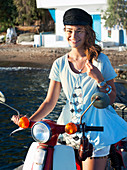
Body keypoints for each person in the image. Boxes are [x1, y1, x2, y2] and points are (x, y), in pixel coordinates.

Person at [11, 8, 127, 170]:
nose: (73, 36)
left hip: (96, 131)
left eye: (79, 31)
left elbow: (112, 98)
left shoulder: (100, 61)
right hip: (68, 130)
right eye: (69, 31)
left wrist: (99, 79)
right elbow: (50, 102)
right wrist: (30, 121)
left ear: (87, 32)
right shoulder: (59, 64)